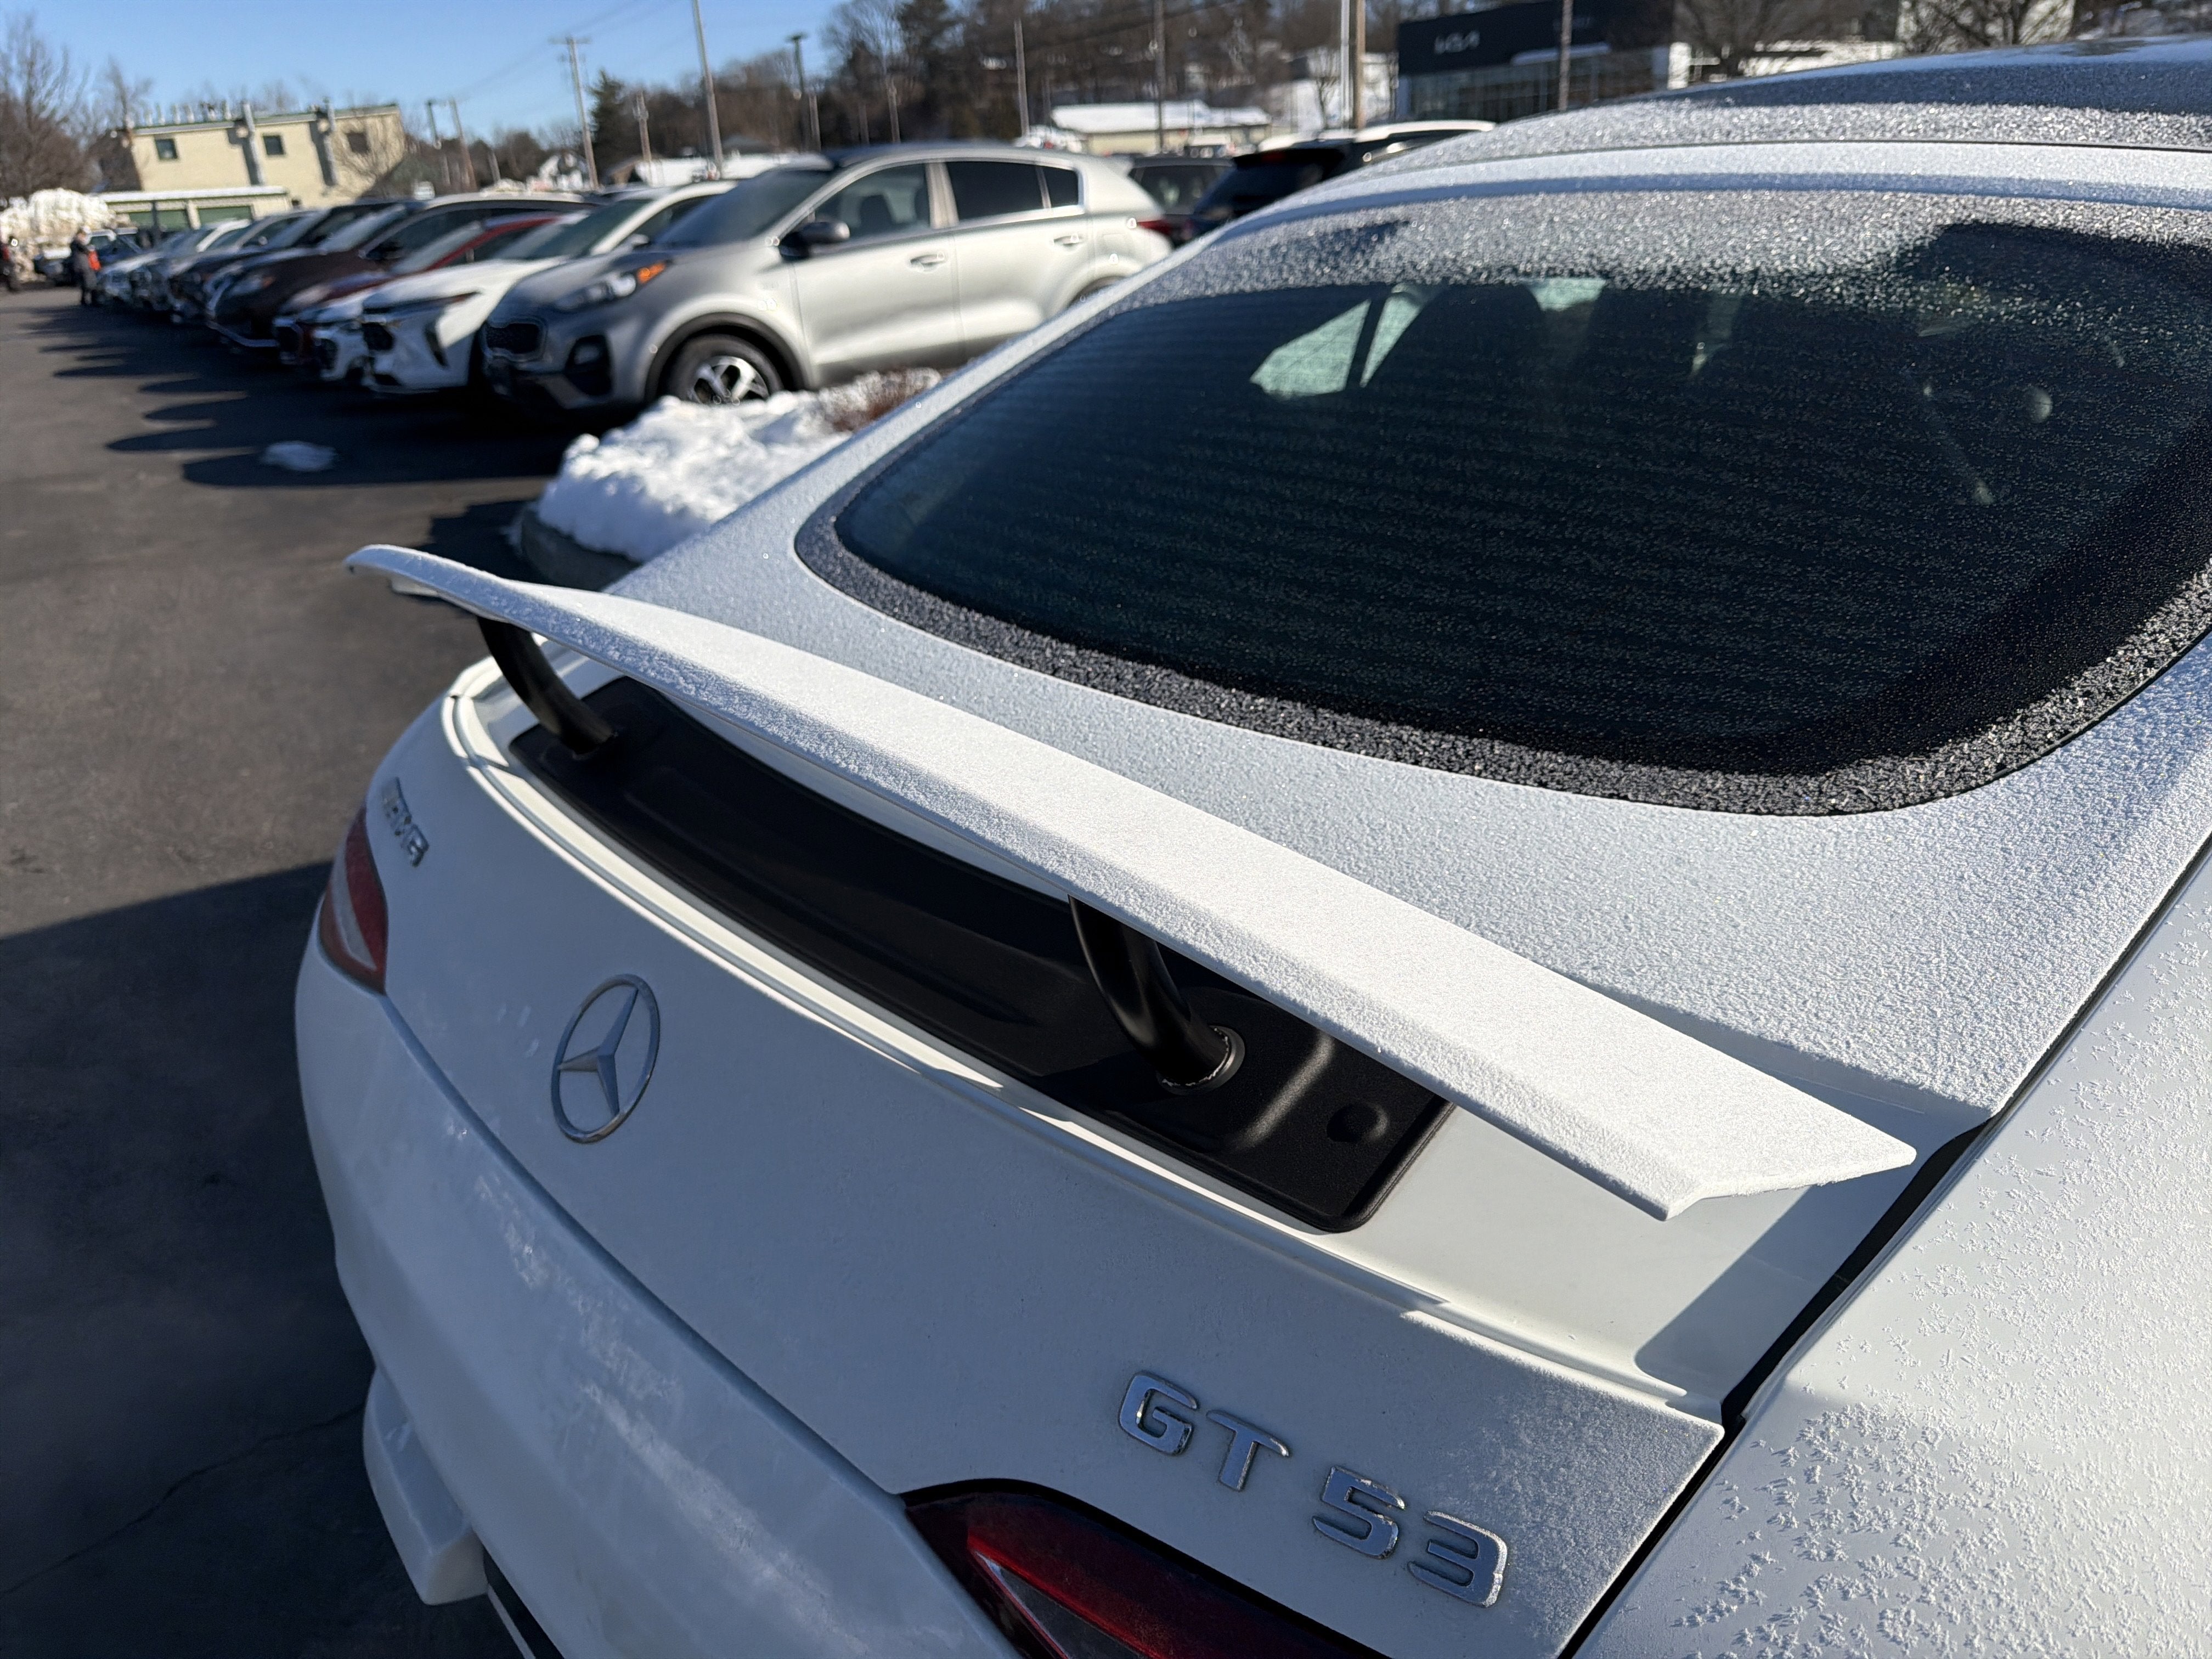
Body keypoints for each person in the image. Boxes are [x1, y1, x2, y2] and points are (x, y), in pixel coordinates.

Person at [69, 229, 99, 306]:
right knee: (90, 283)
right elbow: (85, 250)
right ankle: (91, 301)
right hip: (83, 266)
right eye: (83, 236)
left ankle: (84, 300)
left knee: (85, 284)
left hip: (81, 266)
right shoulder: (77, 243)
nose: (84, 238)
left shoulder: (75, 244)